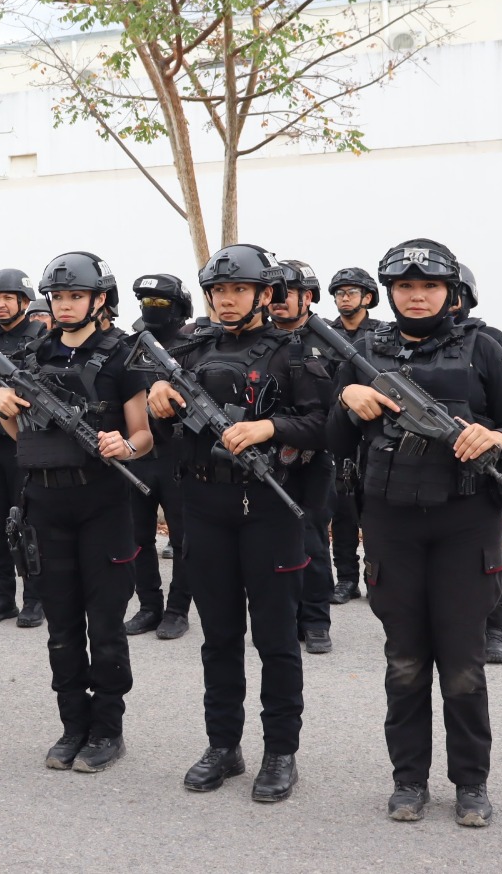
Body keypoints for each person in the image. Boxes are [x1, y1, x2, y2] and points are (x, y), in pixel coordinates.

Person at [326, 239, 502, 828]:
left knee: (464, 663)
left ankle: (471, 784)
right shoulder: (364, 349)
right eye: (406, 287)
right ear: (389, 292)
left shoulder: (483, 347)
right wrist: (347, 398)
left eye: (430, 287)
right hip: (391, 522)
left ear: (451, 292)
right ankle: (408, 781)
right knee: (406, 660)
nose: (418, 297)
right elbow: (335, 442)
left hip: (465, 522)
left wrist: (495, 439)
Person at [145, 244, 329, 803]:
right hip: (203, 506)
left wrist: (269, 429)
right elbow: (165, 410)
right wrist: (157, 396)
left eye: (239, 291)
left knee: (275, 638)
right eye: (219, 292)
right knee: (219, 636)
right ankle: (223, 746)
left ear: (264, 294)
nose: (227, 301)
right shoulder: (193, 349)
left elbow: (324, 424)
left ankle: (281, 752)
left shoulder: (294, 353)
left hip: (268, 510)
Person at [0, 252, 152, 772]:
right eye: (58, 297)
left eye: (75, 296)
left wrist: (123, 447)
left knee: (104, 625)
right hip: (44, 503)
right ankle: (72, 726)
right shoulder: (33, 356)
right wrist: (4, 407)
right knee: (60, 626)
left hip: (102, 504)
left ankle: (108, 729)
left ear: (99, 300)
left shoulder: (122, 356)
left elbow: (144, 434)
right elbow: (21, 439)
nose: (64, 306)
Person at [453, 263, 502, 667]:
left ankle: (495, 626)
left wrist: (486, 431)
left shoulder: (488, 340)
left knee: (490, 555)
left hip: (483, 464)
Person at [0, 268, 50, 627]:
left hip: (26, 443)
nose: (0, 305)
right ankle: (3, 597)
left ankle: (35, 598)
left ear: (23, 301)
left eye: (7, 298)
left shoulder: (42, 338)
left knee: (28, 524)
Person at [268, 259, 337, 656]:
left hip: (312, 457)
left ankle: (315, 620)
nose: (276, 303)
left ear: (306, 297)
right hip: (265, 457)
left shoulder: (329, 341)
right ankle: (284, 616)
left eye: (285, 295)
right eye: (272, 295)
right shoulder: (261, 340)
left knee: (311, 538)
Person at [123, 273, 195, 641]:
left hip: (179, 457)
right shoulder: (130, 346)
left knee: (184, 538)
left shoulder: (196, 344)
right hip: (138, 454)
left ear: (180, 308)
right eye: (146, 302)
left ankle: (178, 610)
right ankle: (149, 606)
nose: (152, 309)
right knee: (137, 537)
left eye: (161, 303)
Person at [325, 266, 382, 606]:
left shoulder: (381, 335)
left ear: (368, 298)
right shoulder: (321, 334)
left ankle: (375, 577)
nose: (344, 298)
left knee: (374, 511)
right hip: (338, 431)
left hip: (373, 432)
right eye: (339, 293)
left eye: (351, 292)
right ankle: (346, 579)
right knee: (342, 511)